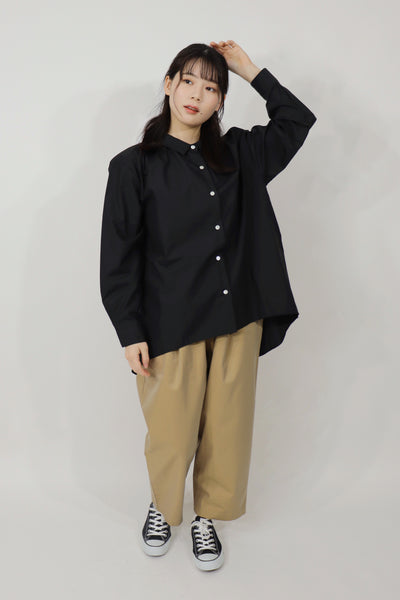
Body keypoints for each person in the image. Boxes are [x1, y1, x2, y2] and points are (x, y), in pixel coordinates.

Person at [100, 40, 317, 571]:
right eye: (189, 80)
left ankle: (207, 519)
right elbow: (118, 255)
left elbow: (296, 120)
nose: (197, 93)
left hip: (238, 315)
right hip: (170, 320)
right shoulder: (133, 166)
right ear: (169, 84)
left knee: (227, 428)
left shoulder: (241, 154)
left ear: (221, 100)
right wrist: (130, 330)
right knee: (171, 431)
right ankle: (162, 506)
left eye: (212, 86)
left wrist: (249, 70)